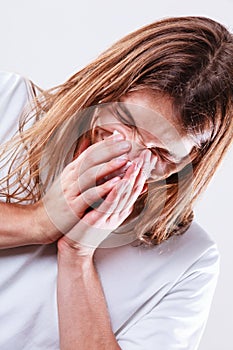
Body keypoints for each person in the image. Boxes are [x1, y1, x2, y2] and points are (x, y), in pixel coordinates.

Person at [0, 15, 233, 350]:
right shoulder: (8, 103)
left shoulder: (191, 261)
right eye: (123, 122)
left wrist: (78, 257)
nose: (128, 159)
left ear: (192, 159)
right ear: (105, 90)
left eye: (159, 152)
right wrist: (38, 221)